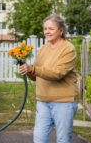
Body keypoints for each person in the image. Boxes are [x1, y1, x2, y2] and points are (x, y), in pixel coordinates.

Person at [19, 14, 79, 143]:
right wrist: (27, 70)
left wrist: (33, 69)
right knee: (39, 137)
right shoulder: (42, 49)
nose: (47, 31)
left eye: (51, 28)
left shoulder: (68, 49)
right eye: (45, 28)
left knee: (63, 139)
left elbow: (58, 73)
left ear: (61, 30)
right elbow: (36, 76)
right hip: (43, 101)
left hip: (64, 102)